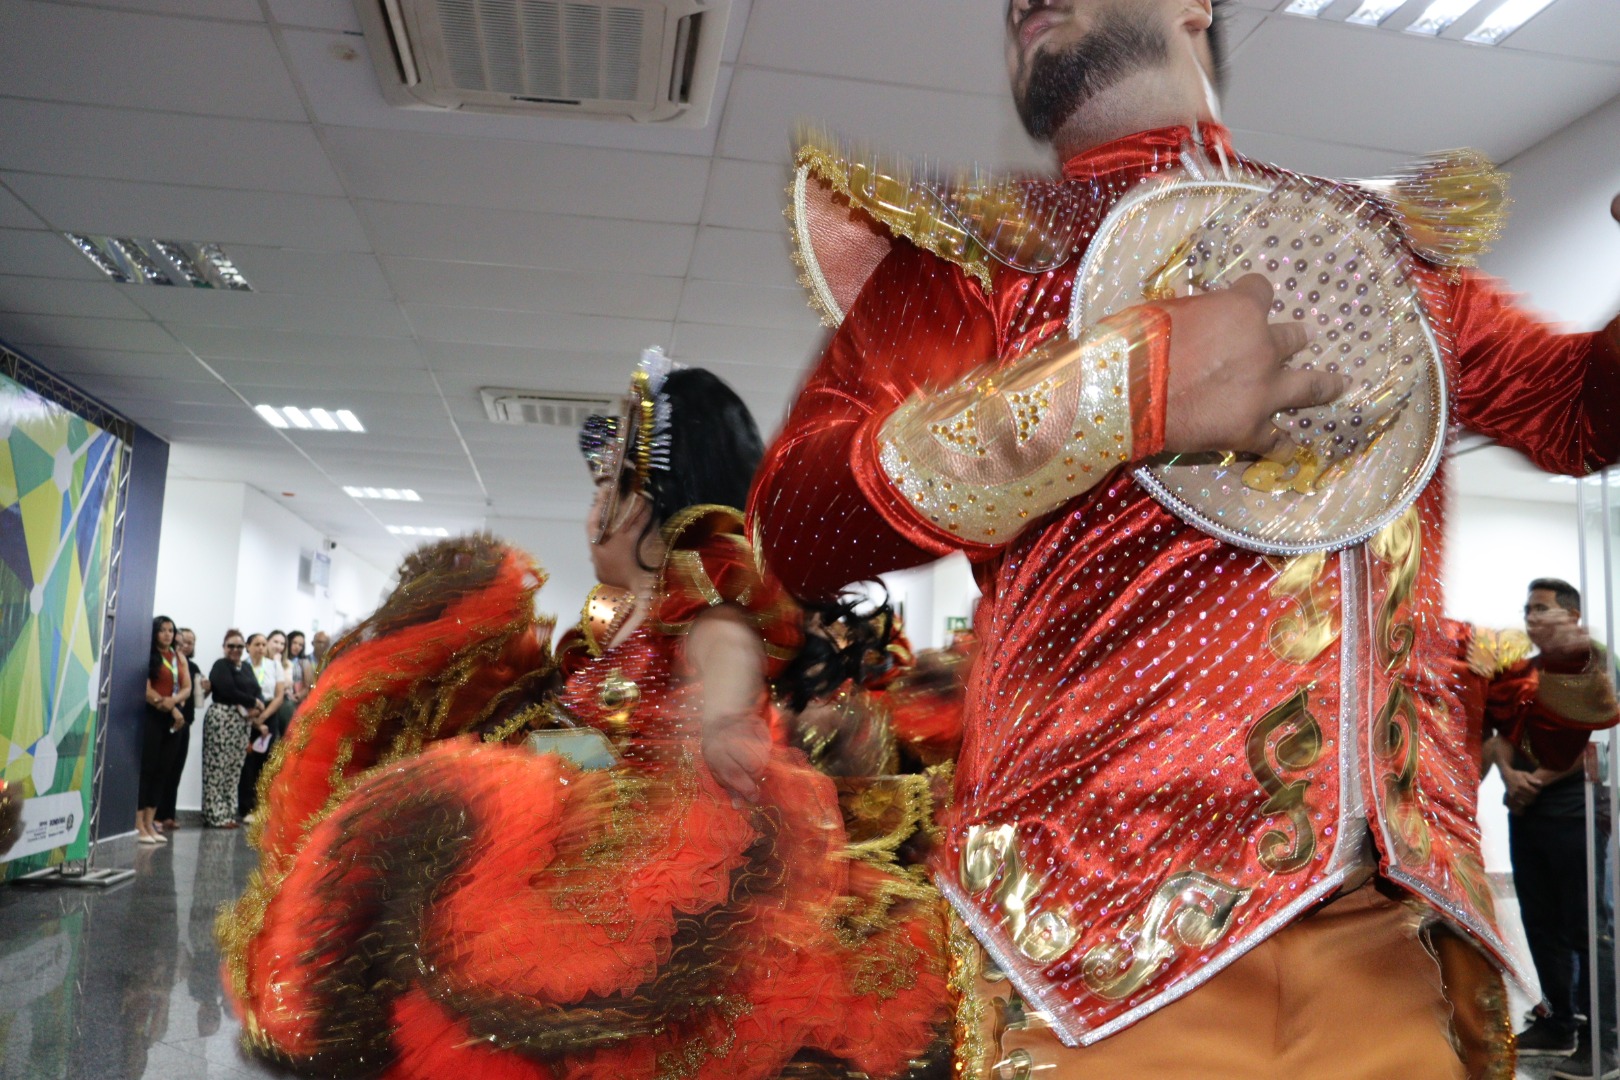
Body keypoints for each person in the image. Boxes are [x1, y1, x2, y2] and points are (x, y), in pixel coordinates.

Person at [748, 1, 1620, 1076]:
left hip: (1385, 950)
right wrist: (1123, 386)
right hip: (1092, 960)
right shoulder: (983, 256)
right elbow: (794, 524)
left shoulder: (1380, 246)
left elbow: (1578, 415)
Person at [220, 354, 949, 1079]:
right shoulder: (619, 622)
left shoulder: (707, 600)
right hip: (581, 828)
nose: (593, 509)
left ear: (656, 502)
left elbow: (725, 661)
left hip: (651, 867)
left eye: (609, 487)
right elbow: (592, 729)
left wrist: (723, 722)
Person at [1487, 579, 1620, 1077]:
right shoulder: (1521, 671)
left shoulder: (1595, 661)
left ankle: (1605, 1043)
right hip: (1527, 810)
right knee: (1540, 920)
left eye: (1541, 609)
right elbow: (1500, 736)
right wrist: (1509, 775)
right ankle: (1559, 1023)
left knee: (1587, 925)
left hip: (1573, 806)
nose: (1530, 617)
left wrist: (1535, 781)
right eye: (1527, 609)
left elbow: (1594, 740)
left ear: (1570, 615)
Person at [202, 631, 268, 829]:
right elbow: (227, 689)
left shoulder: (246, 667)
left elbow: (257, 691)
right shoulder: (220, 665)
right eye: (231, 646)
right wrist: (253, 702)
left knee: (234, 769)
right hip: (222, 719)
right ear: (224, 647)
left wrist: (258, 706)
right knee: (217, 768)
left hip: (242, 722)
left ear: (244, 648)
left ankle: (229, 813)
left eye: (239, 646)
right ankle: (215, 815)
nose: (235, 650)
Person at [139, 616, 190, 844]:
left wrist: (174, 702)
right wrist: (170, 707)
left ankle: (150, 822)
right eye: (162, 630)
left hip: (173, 717)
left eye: (171, 630)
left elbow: (187, 688)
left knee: (163, 770)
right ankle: (139, 824)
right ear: (154, 633)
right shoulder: (148, 655)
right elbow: (146, 690)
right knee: (147, 769)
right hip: (153, 715)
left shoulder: (179, 657)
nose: (168, 634)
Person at [155, 627, 206, 831]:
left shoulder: (192, 666)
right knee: (161, 769)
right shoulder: (165, 662)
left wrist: (206, 689)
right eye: (182, 642)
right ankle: (155, 816)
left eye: (190, 642)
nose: (185, 645)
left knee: (176, 770)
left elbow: (196, 697)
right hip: (166, 719)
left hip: (185, 722)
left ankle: (169, 814)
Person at [239, 630, 290, 822]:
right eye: (257, 644)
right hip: (248, 713)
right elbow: (239, 693)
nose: (260, 648)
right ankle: (246, 807)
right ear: (248, 647)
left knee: (264, 763)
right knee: (247, 762)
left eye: (263, 644)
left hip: (268, 714)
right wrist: (253, 718)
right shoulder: (243, 666)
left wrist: (264, 717)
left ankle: (261, 807)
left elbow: (279, 696)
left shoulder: (274, 665)